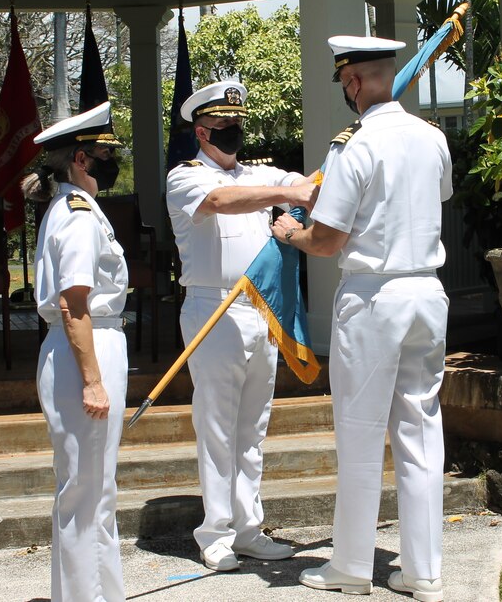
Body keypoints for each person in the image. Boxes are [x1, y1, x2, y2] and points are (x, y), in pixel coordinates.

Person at [271, 36, 453, 601]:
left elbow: (327, 240)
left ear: (352, 82)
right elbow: (435, 198)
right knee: (421, 429)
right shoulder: (433, 137)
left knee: (360, 430)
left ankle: (350, 566)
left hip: (374, 296)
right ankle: (423, 572)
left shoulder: (353, 144)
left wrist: (290, 234)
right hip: (427, 290)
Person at [166, 80, 316, 572]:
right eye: (223, 125)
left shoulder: (257, 173)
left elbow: (307, 183)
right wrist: (285, 191)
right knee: (217, 426)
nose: (232, 131)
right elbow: (221, 202)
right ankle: (215, 532)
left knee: (252, 426)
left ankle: (249, 528)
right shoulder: (186, 178)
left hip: (258, 306)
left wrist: (333, 163)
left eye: (237, 123)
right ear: (201, 130)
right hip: (214, 308)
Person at [22, 101, 128, 602]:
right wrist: (92, 379)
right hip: (85, 345)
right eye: (106, 153)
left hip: (87, 343)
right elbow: (73, 302)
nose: (114, 161)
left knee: (95, 488)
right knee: (86, 489)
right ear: (81, 159)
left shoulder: (73, 209)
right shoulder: (79, 215)